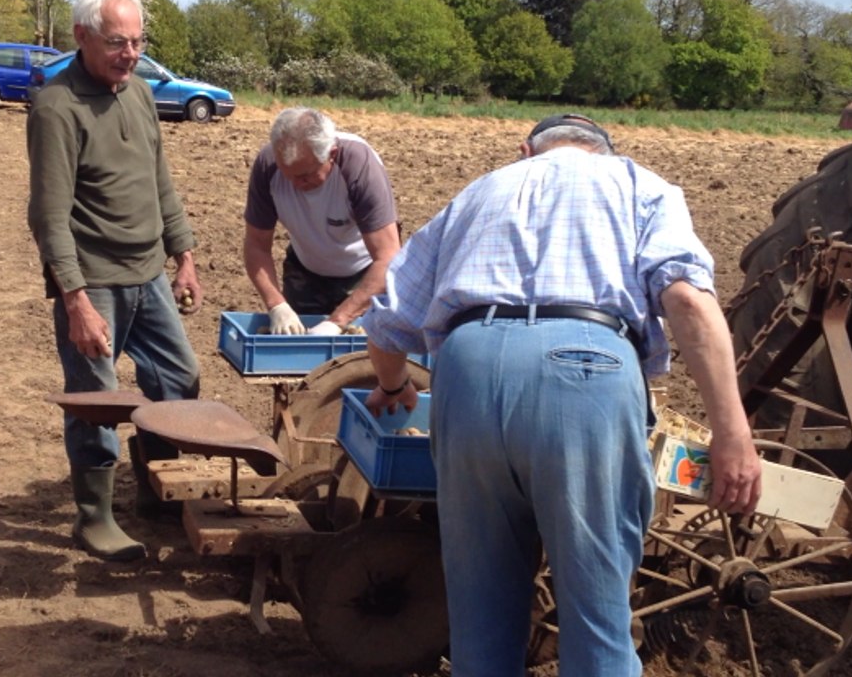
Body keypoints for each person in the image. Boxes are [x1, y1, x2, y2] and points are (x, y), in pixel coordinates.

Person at [361, 114, 763, 676]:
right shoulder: (639, 185)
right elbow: (689, 303)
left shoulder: (479, 192)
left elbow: (387, 320)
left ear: (526, 151)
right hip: (586, 368)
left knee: (480, 617)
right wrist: (732, 432)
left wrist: (393, 385)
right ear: (604, 150)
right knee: (597, 617)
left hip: (467, 368)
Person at [27, 0, 202, 563]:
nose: (130, 53)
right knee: (96, 401)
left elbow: (161, 181)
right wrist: (74, 300)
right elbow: (49, 215)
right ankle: (94, 517)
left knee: (180, 378)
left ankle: (154, 491)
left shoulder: (141, 95)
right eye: (116, 42)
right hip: (94, 279)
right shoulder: (57, 107)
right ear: (80, 37)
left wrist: (184, 256)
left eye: (137, 41)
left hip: (149, 273)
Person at [243, 107, 401, 336]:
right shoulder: (268, 166)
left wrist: (337, 321)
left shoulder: (359, 166)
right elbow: (256, 244)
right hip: (306, 269)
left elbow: (388, 257)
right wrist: (276, 304)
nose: (296, 184)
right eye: (288, 175)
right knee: (299, 354)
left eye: (306, 175)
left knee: (358, 362)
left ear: (332, 155)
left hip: (363, 273)